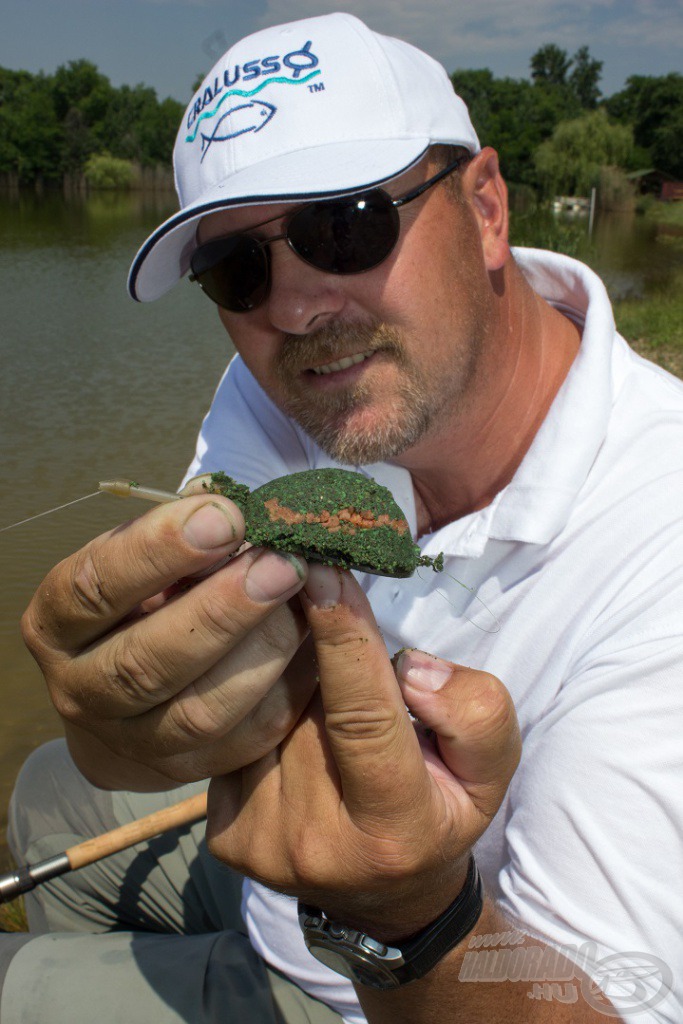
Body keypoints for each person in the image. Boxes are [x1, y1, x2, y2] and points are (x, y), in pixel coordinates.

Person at [2, 11, 682, 1023]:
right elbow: (192, 690)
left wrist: (405, 911)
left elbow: (601, 1002)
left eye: (345, 224)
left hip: (403, 987)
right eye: (236, 268)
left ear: (486, 208)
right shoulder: (273, 391)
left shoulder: (657, 530)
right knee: (52, 785)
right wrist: (142, 714)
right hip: (267, 876)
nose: (292, 308)